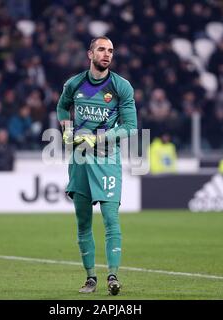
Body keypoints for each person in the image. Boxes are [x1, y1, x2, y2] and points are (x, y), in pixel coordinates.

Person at [56, 36, 137, 295]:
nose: (107, 54)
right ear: (90, 54)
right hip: (79, 160)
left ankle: (113, 276)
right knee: (83, 222)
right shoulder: (75, 83)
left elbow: (130, 128)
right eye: (102, 49)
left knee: (111, 219)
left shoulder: (121, 87)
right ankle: (90, 278)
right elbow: (61, 107)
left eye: (111, 50)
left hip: (107, 160)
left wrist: (99, 137)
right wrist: (67, 128)